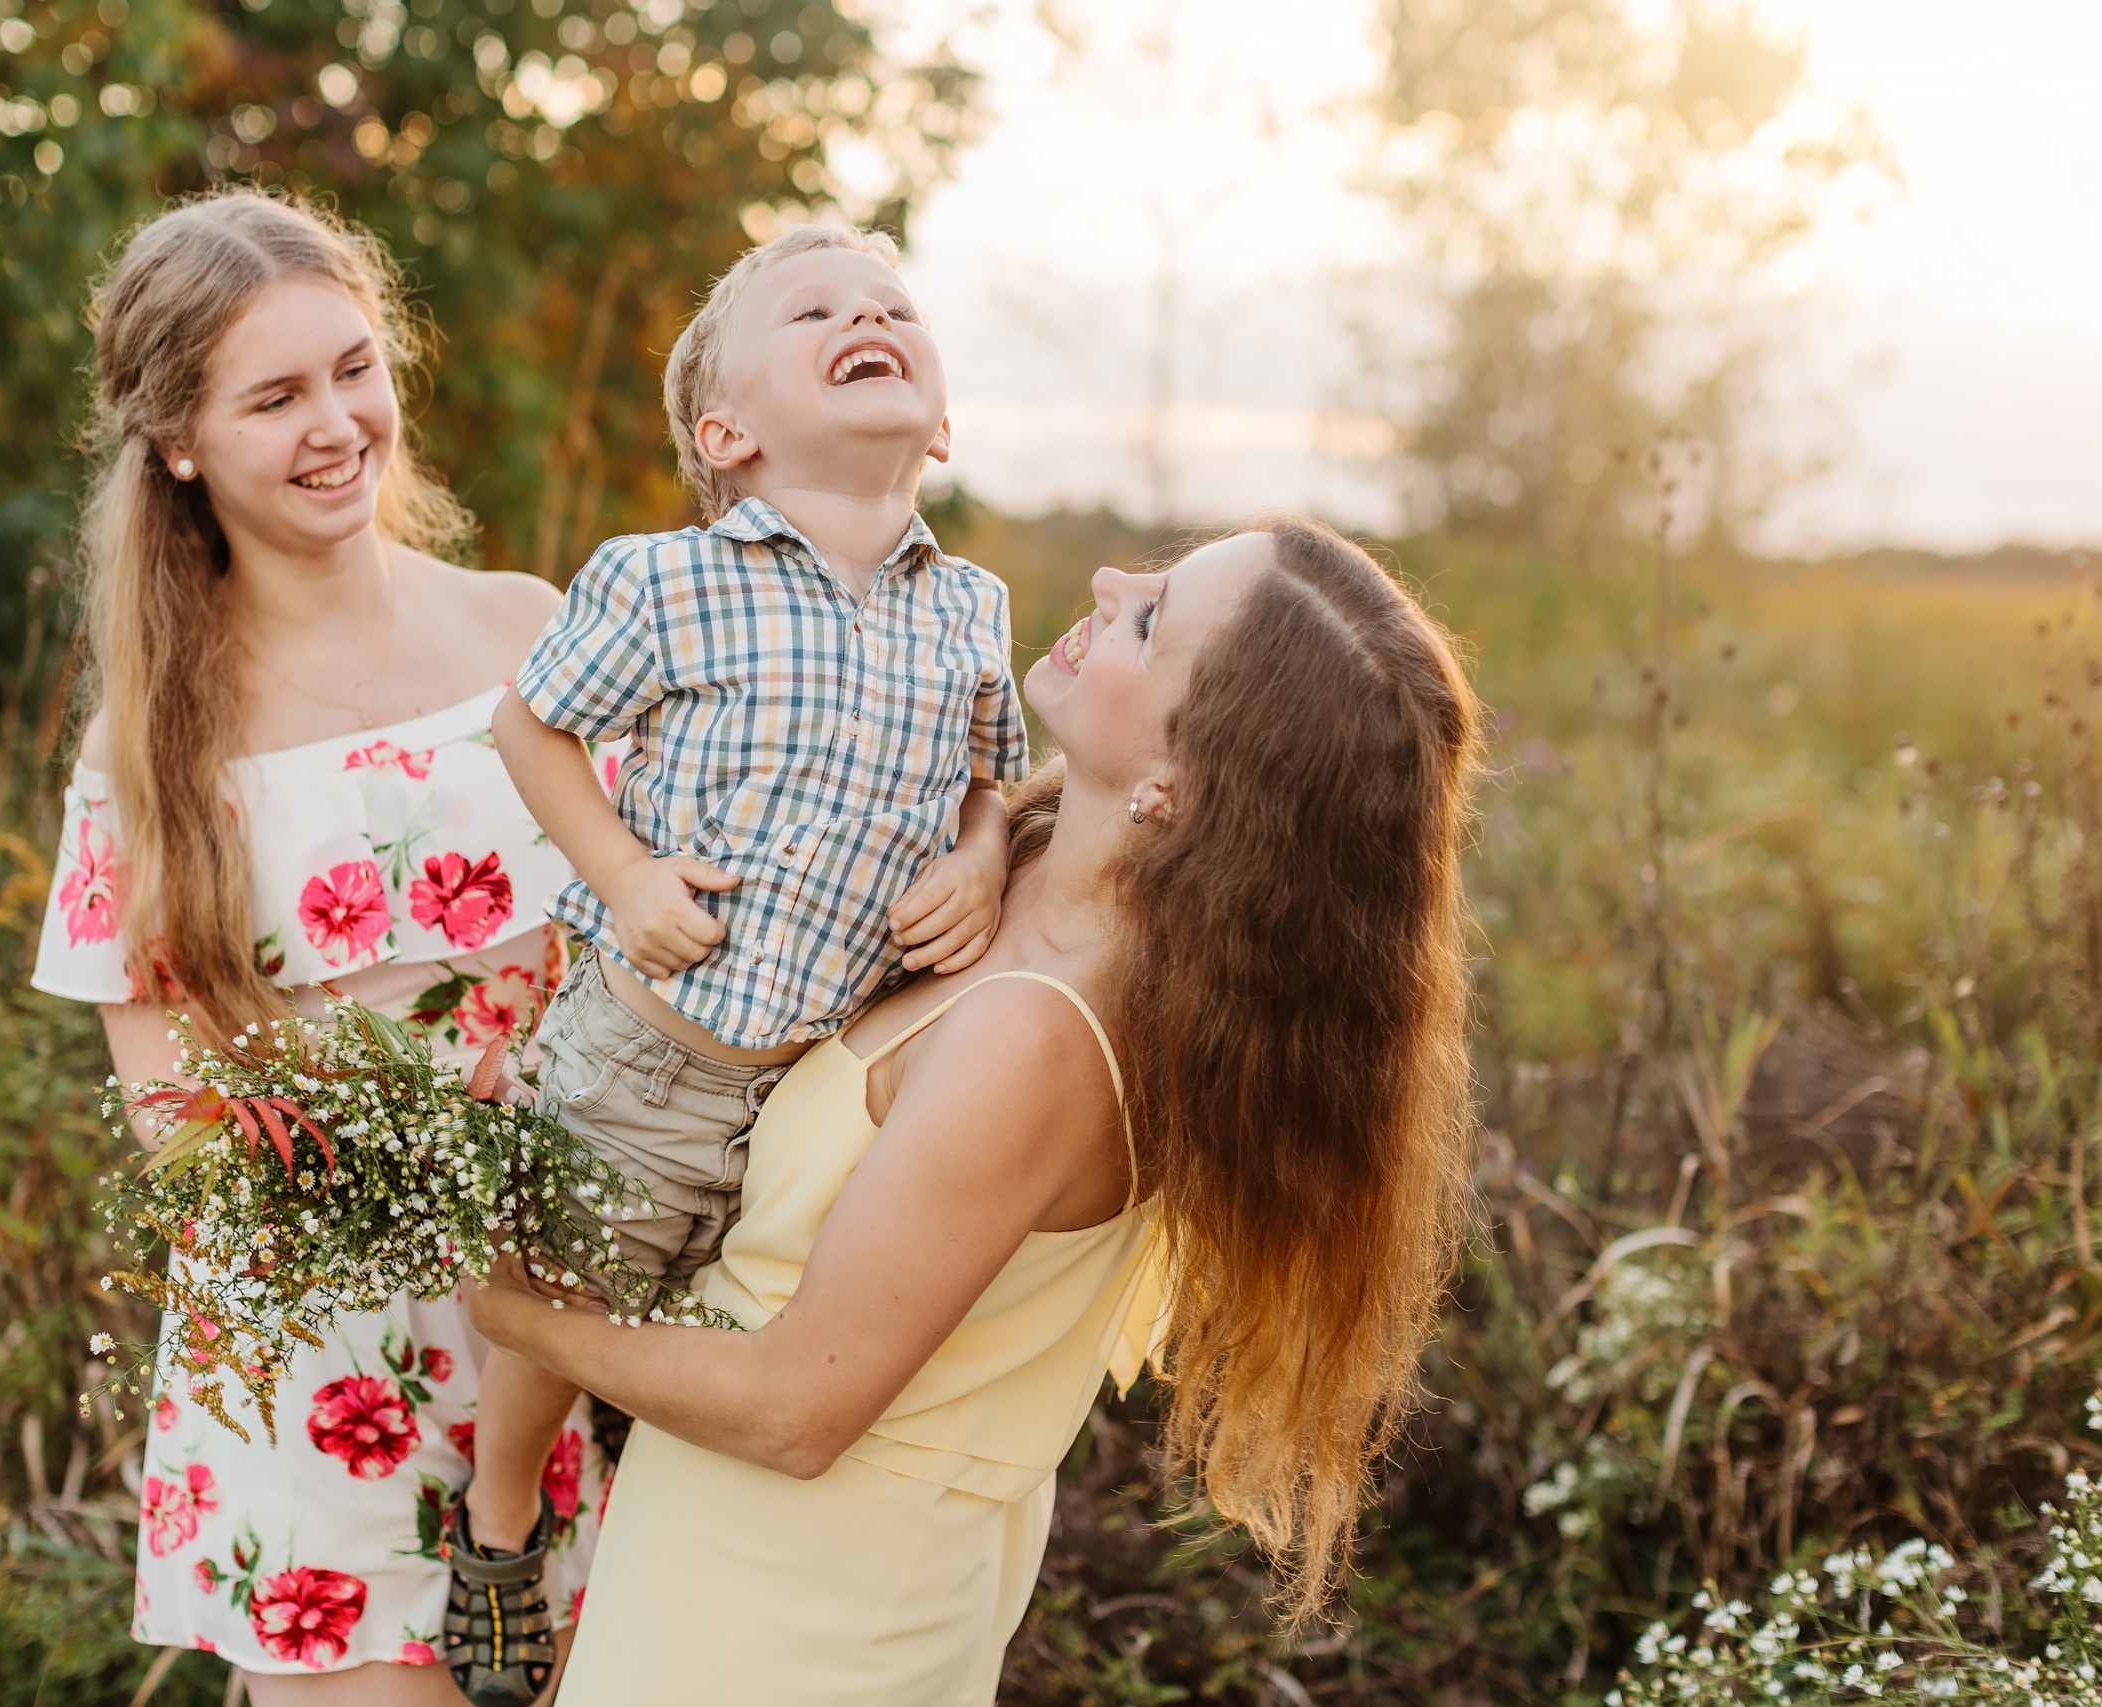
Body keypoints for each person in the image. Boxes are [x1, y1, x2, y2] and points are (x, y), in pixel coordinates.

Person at [469, 518, 1484, 1706]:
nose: (1108, 579)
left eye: (1150, 618)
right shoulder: (1024, 874)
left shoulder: (1037, 1036)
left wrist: (512, 1313)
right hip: (727, 1543)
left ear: (1174, 784)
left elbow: (796, 1409)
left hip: (794, 1613)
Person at [31, 189, 605, 1705]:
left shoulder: (532, 633)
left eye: (354, 367)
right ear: (177, 442)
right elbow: (178, 1118)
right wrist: (407, 1164)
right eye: (274, 396)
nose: (338, 421)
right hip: (324, 1369)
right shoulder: (155, 742)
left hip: (579, 1330)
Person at [457, 224, 1026, 1689]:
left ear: (941, 420)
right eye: (820, 311)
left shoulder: (971, 608)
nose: (871, 315)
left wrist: (973, 858)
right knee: (561, 1290)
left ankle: (657, 1572)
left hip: (823, 1079)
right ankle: (502, 1511)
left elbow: (993, 777)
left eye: (895, 307)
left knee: (723, 1338)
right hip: (651, 1044)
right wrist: (625, 872)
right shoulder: (666, 580)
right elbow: (532, 724)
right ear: (730, 433)